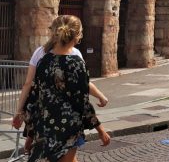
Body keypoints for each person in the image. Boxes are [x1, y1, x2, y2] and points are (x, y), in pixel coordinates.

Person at [23, 15, 110, 161]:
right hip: (69, 127)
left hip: (46, 127)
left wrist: (30, 133)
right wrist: (100, 130)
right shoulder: (76, 63)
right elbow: (82, 102)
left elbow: (35, 100)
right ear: (77, 36)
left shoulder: (44, 61)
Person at [13, 27, 108, 130]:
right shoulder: (75, 54)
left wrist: (19, 111)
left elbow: (28, 83)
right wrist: (100, 96)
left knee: (43, 143)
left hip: (44, 112)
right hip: (68, 114)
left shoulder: (40, 52)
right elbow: (83, 84)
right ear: (74, 36)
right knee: (71, 143)